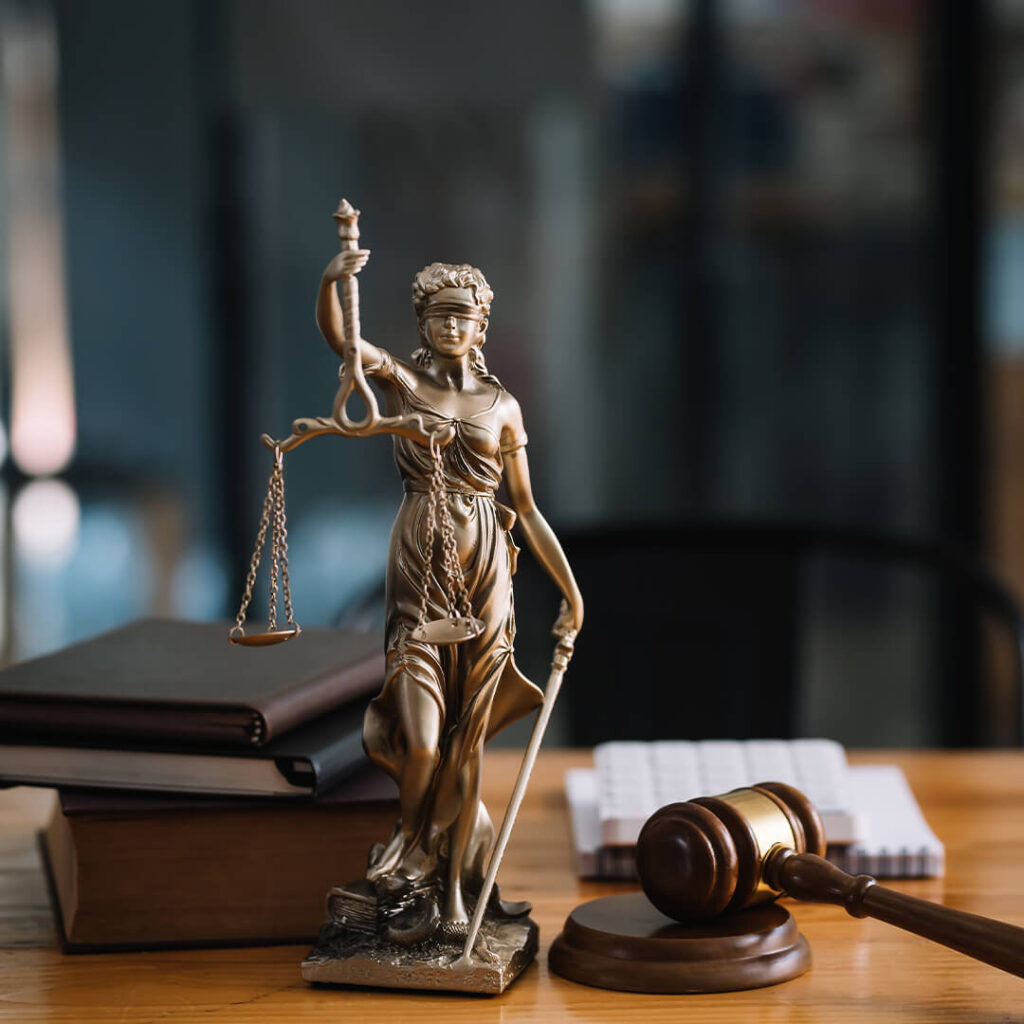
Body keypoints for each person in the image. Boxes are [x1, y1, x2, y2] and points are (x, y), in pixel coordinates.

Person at [316, 250, 583, 939]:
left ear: (482, 324)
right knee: (426, 743)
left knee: (469, 748)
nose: (450, 326)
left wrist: (571, 592)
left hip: (489, 576)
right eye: (438, 316)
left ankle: (456, 903)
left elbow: (525, 507)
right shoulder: (406, 385)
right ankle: (411, 847)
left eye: (462, 315)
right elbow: (346, 344)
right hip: (418, 570)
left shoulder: (503, 407)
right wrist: (332, 281)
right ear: (423, 323)